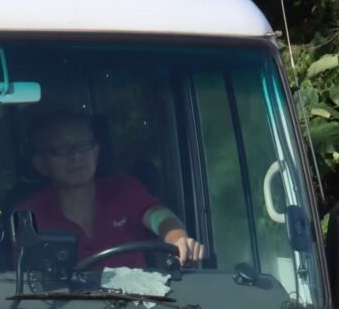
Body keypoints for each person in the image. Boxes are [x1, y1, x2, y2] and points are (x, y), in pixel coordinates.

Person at [14, 110, 206, 270]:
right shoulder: (28, 216)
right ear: (41, 164)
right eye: (61, 149)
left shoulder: (125, 190)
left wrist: (178, 239)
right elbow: (26, 283)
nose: (76, 156)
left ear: (96, 152)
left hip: (140, 304)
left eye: (84, 145)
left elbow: (159, 216)